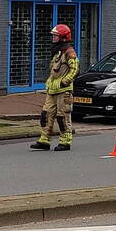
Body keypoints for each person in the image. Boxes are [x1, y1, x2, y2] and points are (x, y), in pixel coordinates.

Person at [31, 24, 78, 152]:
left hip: (64, 91)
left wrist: (65, 82)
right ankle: (44, 140)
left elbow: (75, 69)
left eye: (55, 36)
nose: (53, 38)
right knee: (46, 115)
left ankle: (65, 141)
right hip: (52, 90)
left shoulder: (69, 52)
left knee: (63, 116)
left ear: (63, 37)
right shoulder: (58, 52)